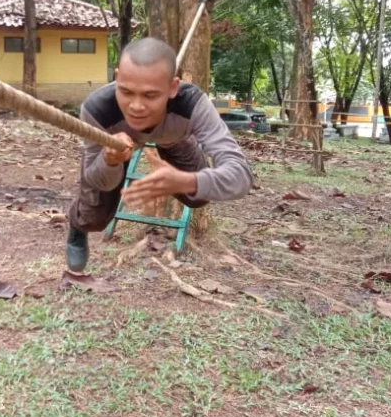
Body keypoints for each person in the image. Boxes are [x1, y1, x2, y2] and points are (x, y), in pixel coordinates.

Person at [66, 37, 254, 272]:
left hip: (174, 138)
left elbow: (242, 177)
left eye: (150, 95)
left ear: (173, 88)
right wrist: (109, 160)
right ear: (116, 78)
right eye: (126, 91)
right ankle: (76, 225)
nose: (136, 106)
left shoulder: (194, 105)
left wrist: (186, 181)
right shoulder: (96, 110)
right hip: (114, 146)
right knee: (93, 219)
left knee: (197, 196)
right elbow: (96, 178)